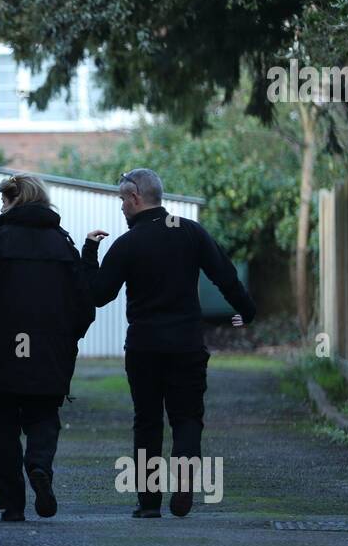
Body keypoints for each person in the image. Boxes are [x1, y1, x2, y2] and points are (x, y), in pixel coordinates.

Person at [84, 168, 255, 518]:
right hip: (187, 345)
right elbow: (224, 274)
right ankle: (185, 485)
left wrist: (89, 252)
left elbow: (98, 295)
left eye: (122, 201)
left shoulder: (128, 244)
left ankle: (148, 504)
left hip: (144, 347)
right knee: (187, 419)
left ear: (135, 198)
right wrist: (246, 311)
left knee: (147, 422)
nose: (121, 208)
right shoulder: (190, 232)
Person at [0, 173, 96, 522]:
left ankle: (10, 506)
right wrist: (68, 341)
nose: (1, 207)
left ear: (14, 200)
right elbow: (82, 305)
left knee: (2, 427)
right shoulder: (63, 243)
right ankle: (40, 466)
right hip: (49, 350)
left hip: (0, 351)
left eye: (4, 200)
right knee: (44, 416)